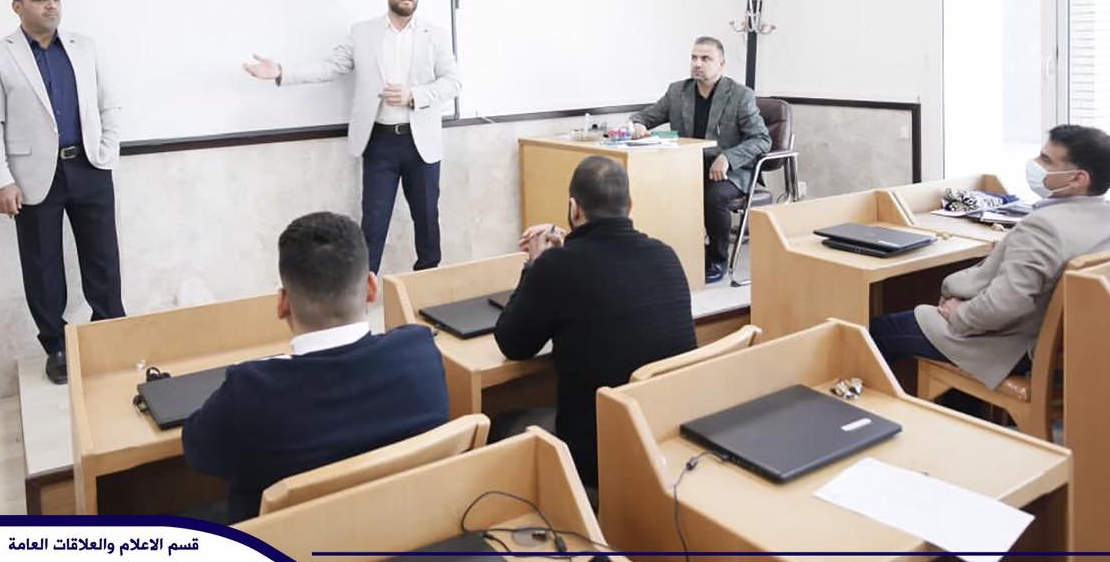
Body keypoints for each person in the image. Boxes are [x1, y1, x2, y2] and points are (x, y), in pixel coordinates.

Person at [181, 211, 448, 522]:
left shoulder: (249, 392)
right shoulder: (421, 353)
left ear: (283, 303)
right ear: (371, 288)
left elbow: (198, 451)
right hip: (408, 533)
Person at [869, 125, 1110, 390]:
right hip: (1063, 348)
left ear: (1077, 179)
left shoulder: (1044, 227)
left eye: (1046, 160)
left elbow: (1005, 305)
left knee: (875, 332)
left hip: (1005, 346)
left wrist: (959, 314)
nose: (1035, 164)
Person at [243, 0, 461, 273]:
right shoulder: (363, 33)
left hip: (421, 144)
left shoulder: (435, 35)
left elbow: (453, 82)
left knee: (427, 222)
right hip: (380, 142)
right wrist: (282, 72)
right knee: (373, 224)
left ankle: (427, 287)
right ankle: (363, 289)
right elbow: (330, 67)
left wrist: (414, 95)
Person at [494, 156, 695, 485]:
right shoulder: (666, 255)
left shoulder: (557, 268)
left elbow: (513, 343)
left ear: (574, 209)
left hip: (593, 455)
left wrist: (535, 265)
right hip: (664, 439)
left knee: (499, 424)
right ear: (630, 205)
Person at [0, 0, 125, 385]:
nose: (51, 6)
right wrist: (0, 180)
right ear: (17, 6)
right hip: (32, 176)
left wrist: (106, 151)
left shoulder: (84, 47)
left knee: (103, 259)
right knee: (42, 266)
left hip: (89, 167)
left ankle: (109, 335)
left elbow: (109, 104)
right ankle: (56, 346)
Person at [629, 36, 770, 282]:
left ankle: (717, 259)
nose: (697, 63)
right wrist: (637, 124)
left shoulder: (740, 95)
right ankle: (672, 253)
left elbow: (761, 139)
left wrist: (728, 157)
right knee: (651, 186)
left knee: (714, 196)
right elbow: (644, 116)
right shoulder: (677, 91)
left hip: (730, 171)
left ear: (721, 64)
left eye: (706, 58)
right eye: (694, 58)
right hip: (688, 167)